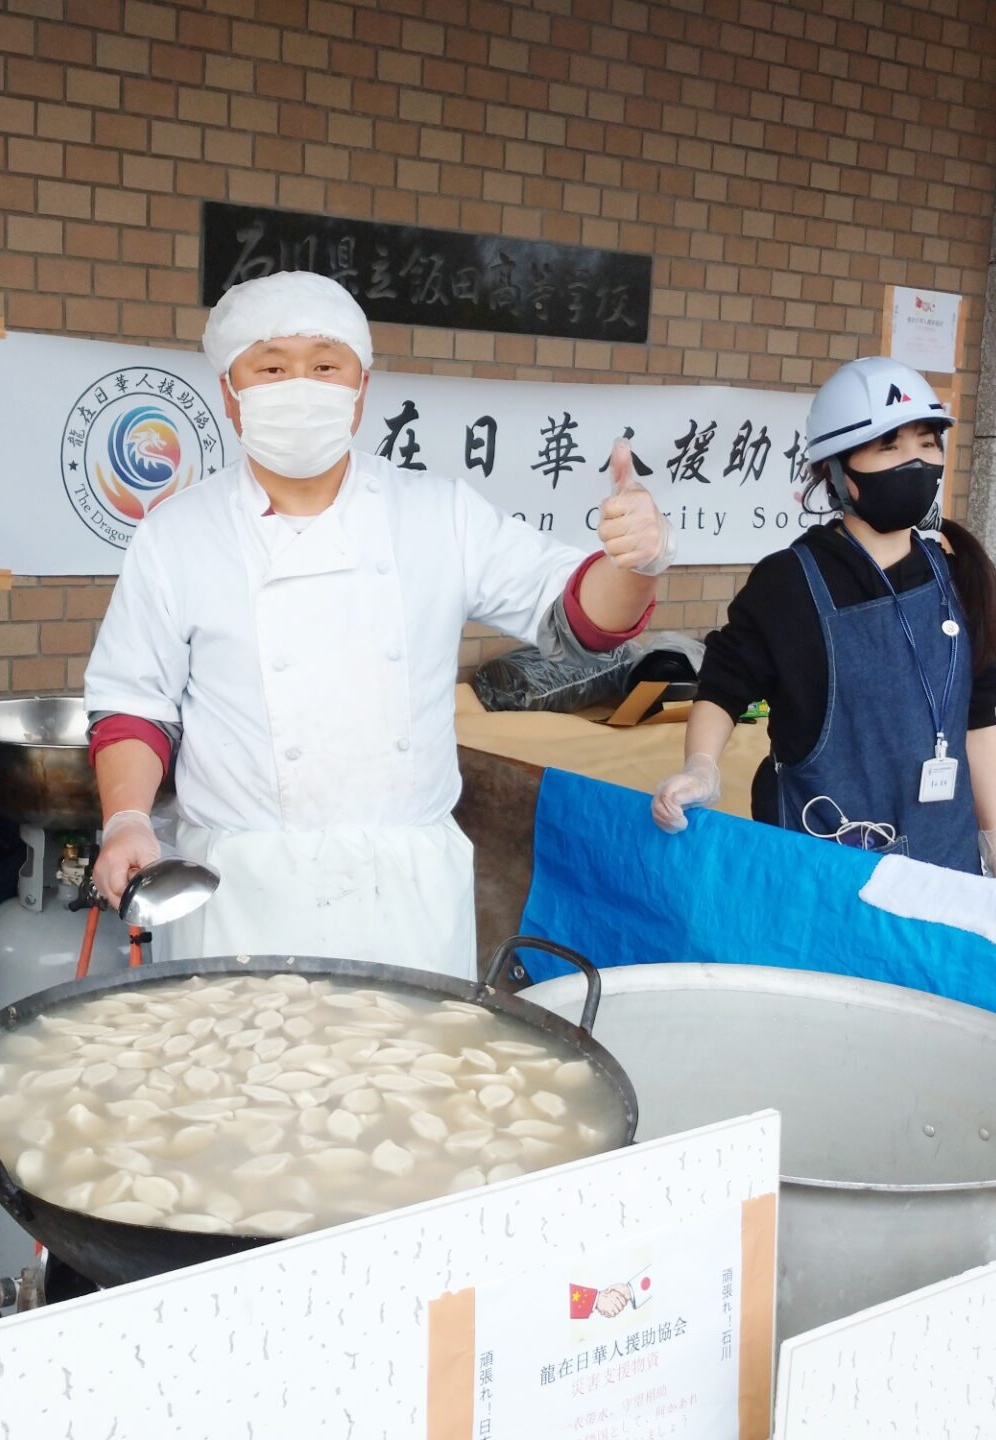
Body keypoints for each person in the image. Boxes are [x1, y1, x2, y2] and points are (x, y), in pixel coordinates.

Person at [81, 271, 675, 977]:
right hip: (238, 888)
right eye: (270, 367)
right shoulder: (177, 536)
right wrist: (127, 820)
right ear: (229, 394)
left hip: (404, 889)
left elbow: (579, 615)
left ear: (360, 392)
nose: (299, 386)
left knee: (412, 1079)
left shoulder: (436, 513)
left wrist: (634, 561)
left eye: (326, 366)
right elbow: (133, 705)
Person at [650, 357, 996, 887]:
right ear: (836, 469)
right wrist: (701, 768)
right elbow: (724, 683)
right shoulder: (789, 582)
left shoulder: (955, 575)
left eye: (927, 443)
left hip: (944, 865)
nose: (916, 461)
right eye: (890, 446)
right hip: (824, 868)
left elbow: (977, 718)